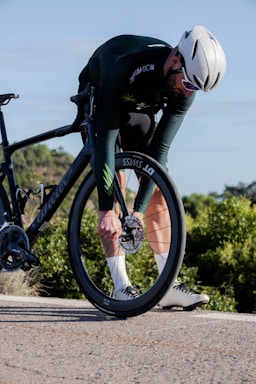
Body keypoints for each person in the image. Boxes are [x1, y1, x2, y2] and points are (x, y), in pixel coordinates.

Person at [72, 25, 227, 310]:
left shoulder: (186, 86)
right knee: (114, 183)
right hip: (103, 92)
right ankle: (120, 287)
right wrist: (107, 209)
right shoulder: (126, 67)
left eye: (195, 88)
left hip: (138, 108)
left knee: (157, 186)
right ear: (175, 61)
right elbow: (107, 139)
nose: (187, 91)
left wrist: (139, 212)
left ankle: (167, 287)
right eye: (189, 83)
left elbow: (160, 153)